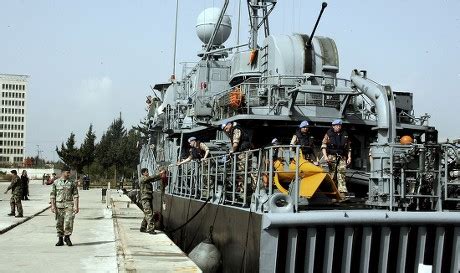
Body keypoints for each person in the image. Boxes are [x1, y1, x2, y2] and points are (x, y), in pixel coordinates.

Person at [50, 166, 79, 246]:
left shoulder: (72, 183)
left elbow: (76, 195)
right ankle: (60, 239)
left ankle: (67, 237)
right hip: (59, 206)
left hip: (69, 205)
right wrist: (52, 206)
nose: (69, 174)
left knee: (69, 222)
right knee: (59, 223)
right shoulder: (56, 182)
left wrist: (76, 206)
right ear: (62, 172)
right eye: (67, 172)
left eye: (69, 172)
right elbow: (52, 195)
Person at [321, 119, 352, 195]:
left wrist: (349, 157)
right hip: (331, 157)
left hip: (341, 157)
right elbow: (323, 146)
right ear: (333, 126)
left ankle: (342, 192)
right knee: (332, 174)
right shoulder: (328, 134)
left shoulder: (345, 134)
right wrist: (325, 156)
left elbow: (348, 148)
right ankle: (331, 191)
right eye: (337, 125)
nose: (338, 127)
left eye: (340, 125)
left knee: (342, 174)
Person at [139, 167, 166, 234]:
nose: (148, 173)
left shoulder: (147, 179)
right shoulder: (143, 178)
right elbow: (151, 178)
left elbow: (153, 179)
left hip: (149, 197)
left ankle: (143, 227)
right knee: (149, 213)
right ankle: (151, 229)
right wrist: (160, 173)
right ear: (143, 173)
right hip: (145, 198)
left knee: (148, 213)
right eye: (146, 172)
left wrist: (160, 176)